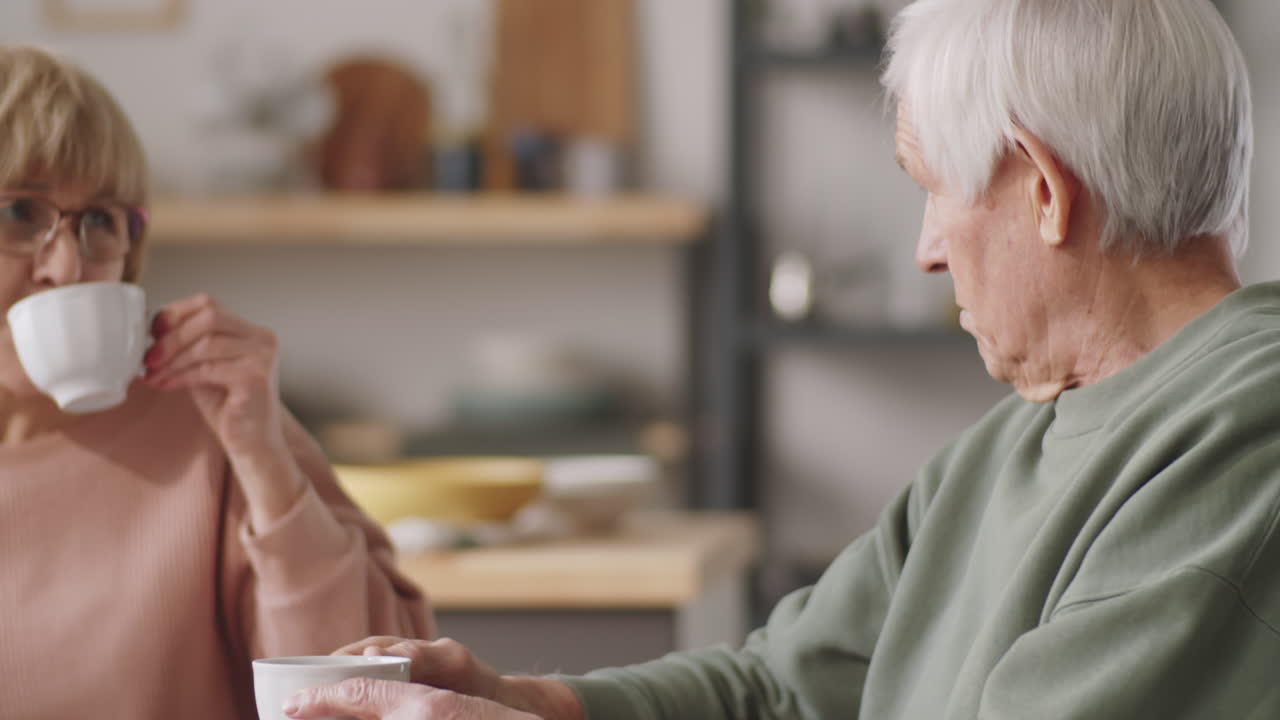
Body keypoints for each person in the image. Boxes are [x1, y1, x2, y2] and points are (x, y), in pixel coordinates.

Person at [283, 0, 1280, 718]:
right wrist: (536, 704)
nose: (924, 249)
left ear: (1043, 192)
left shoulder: (1241, 443)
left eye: (932, 188)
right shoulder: (1010, 442)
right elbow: (778, 688)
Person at [0, 45, 433, 719]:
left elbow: (379, 700)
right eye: (18, 214)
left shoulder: (221, 425)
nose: (68, 266)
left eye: (100, 222)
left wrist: (264, 463)